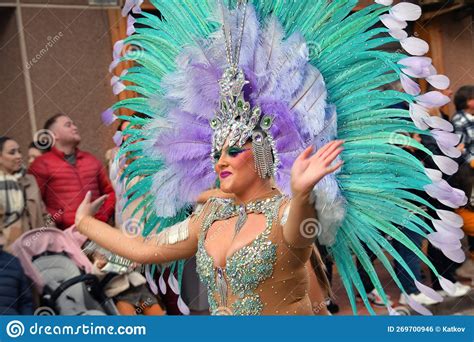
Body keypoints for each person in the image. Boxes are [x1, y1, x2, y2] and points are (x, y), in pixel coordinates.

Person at [78, 0, 465, 316]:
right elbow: (143, 248)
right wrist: (85, 223)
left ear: (261, 152)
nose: (220, 161)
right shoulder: (209, 217)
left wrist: (301, 193)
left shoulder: (284, 214)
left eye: (233, 150)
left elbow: (300, 227)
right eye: (215, 153)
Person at [29, 114, 116, 230]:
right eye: (68, 125)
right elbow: (37, 203)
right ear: (54, 135)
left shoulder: (91, 160)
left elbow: (110, 192)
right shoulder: (41, 164)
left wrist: (102, 215)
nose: (75, 127)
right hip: (64, 236)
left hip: (97, 230)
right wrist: (60, 218)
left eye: (74, 124)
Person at [0, 137, 51, 247]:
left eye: (19, 151)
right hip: (9, 251)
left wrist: (53, 236)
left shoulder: (30, 179)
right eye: (12, 152)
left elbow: (44, 214)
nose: (18, 156)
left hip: (39, 247)